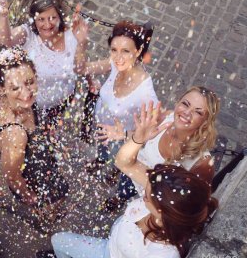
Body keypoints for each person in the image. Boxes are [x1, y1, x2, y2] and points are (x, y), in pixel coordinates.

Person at [51, 102, 218, 258]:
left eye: (147, 195)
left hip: (107, 253)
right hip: (110, 244)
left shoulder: (163, 254)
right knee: (58, 240)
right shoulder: (162, 193)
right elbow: (124, 162)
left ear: (161, 211)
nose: (142, 192)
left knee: (58, 241)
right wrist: (138, 138)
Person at [0, 46, 69, 222]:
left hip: (43, 165)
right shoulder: (15, 133)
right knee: (50, 205)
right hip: (35, 179)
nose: (26, 93)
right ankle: (47, 217)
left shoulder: (23, 104)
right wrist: (33, 198)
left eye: (29, 82)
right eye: (15, 88)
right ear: (2, 89)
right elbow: (12, 177)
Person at [73, 19, 158, 202]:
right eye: (114, 50)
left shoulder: (145, 90)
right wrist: (81, 43)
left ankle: (118, 197)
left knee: (125, 169)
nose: (118, 57)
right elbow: (81, 69)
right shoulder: (114, 63)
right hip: (103, 128)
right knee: (104, 151)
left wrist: (125, 135)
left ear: (138, 51)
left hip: (124, 141)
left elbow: (153, 130)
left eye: (126, 51)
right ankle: (102, 161)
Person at [0, 0, 88, 124]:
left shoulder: (72, 35)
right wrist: (3, 15)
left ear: (60, 17)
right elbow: (5, 41)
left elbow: (80, 67)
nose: (47, 24)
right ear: (34, 19)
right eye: (41, 19)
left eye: (52, 18)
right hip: (33, 106)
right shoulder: (27, 34)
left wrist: (82, 43)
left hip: (63, 100)